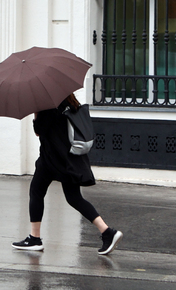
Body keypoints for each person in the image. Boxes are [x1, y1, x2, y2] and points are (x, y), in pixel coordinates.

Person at [12, 94, 123, 255]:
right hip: (68, 159)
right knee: (74, 198)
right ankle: (107, 232)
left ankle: (35, 239)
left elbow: (39, 130)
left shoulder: (48, 105)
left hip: (52, 159)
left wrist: (36, 112)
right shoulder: (68, 101)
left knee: (36, 191)